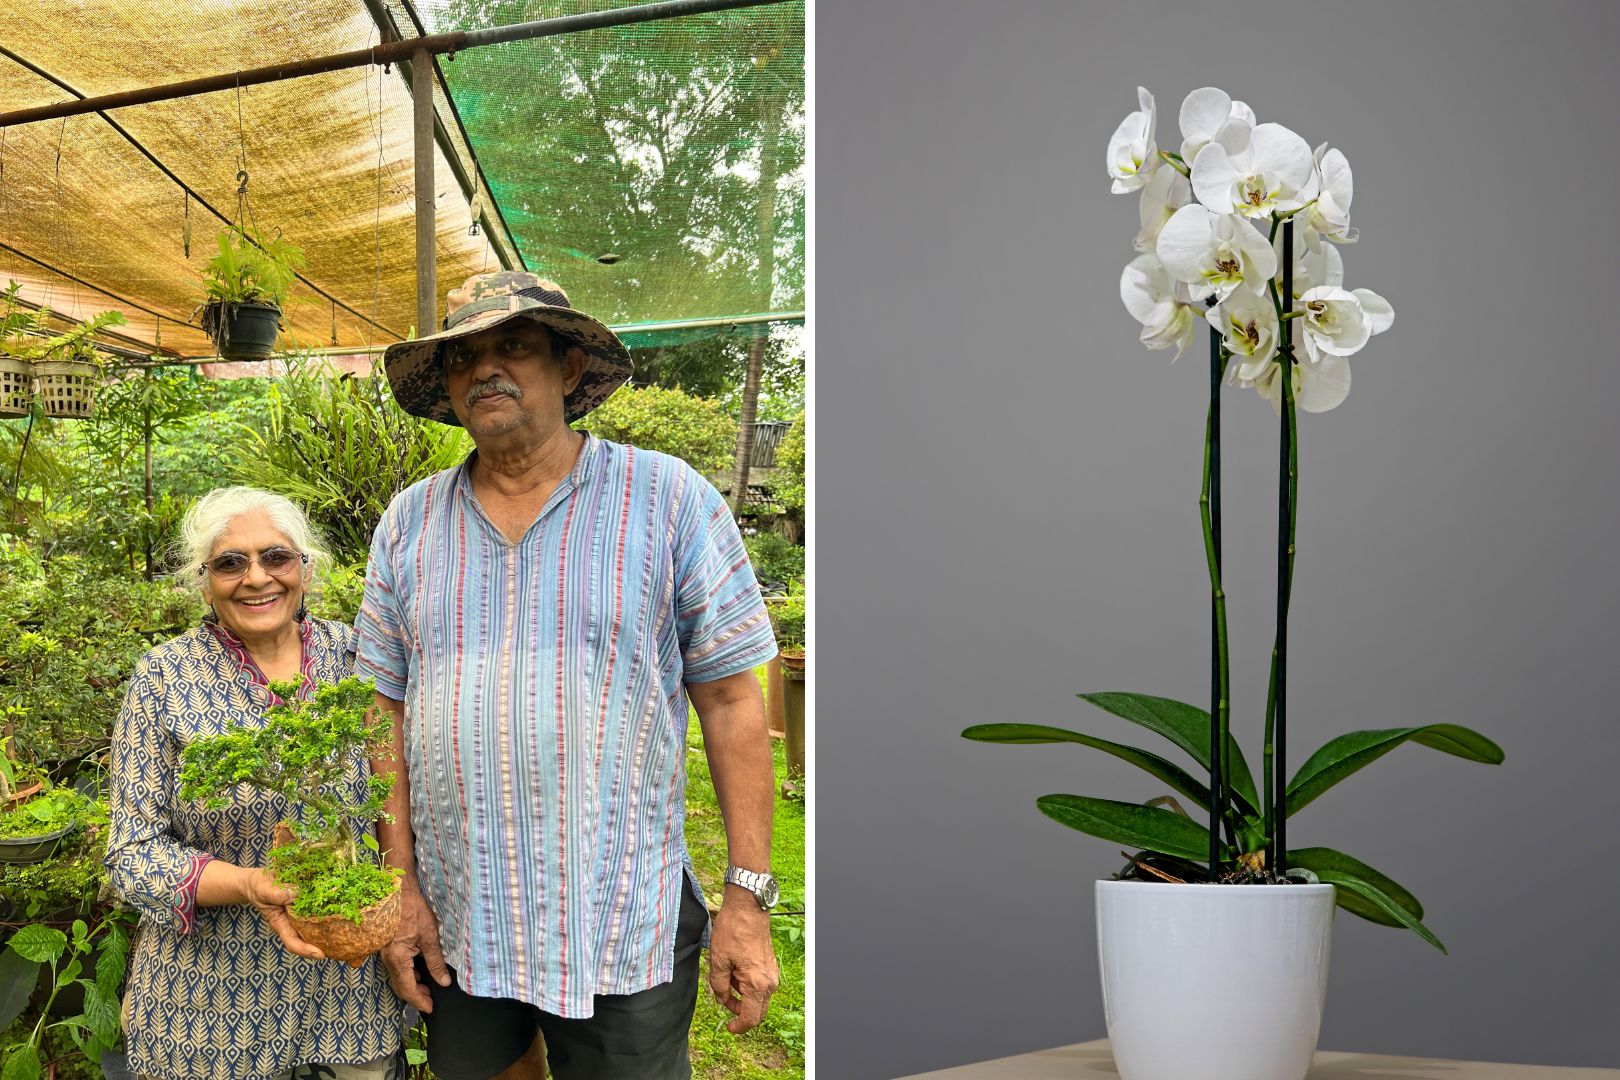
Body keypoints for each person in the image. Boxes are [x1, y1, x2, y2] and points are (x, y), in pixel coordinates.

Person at [358, 272, 782, 1080]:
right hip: (463, 904)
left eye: (514, 346)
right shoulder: (409, 522)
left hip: (618, 905)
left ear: (571, 367)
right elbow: (386, 714)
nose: (486, 369)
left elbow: (731, 700)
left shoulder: (667, 500)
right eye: (463, 356)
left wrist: (747, 898)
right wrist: (398, 884)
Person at [105, 487, 403, 1080]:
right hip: (209, 1009)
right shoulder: (164, 677)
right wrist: (247, 883)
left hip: (347, 996)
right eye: (230, 562)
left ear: (305, 569)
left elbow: (397, 799)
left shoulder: (357, 658)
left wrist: (399, 915)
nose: (256, 578)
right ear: (204, 580)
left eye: (277, 557)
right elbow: (130, 857)